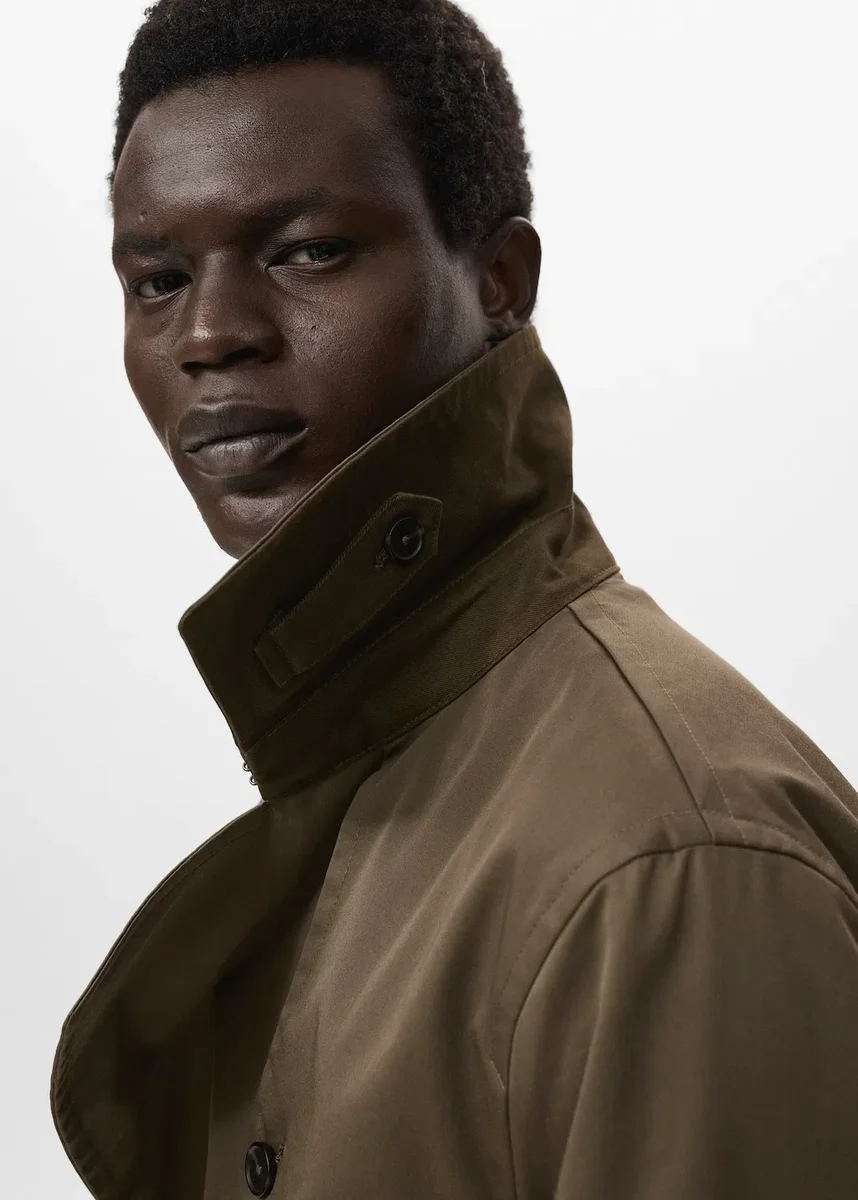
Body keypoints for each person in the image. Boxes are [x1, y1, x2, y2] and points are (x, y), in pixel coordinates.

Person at [51, 1, 858, 1196]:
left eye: (308, 251)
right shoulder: (387, 770)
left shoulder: (673, 866)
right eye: (158, 279)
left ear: (499, 279)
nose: (209, 334)